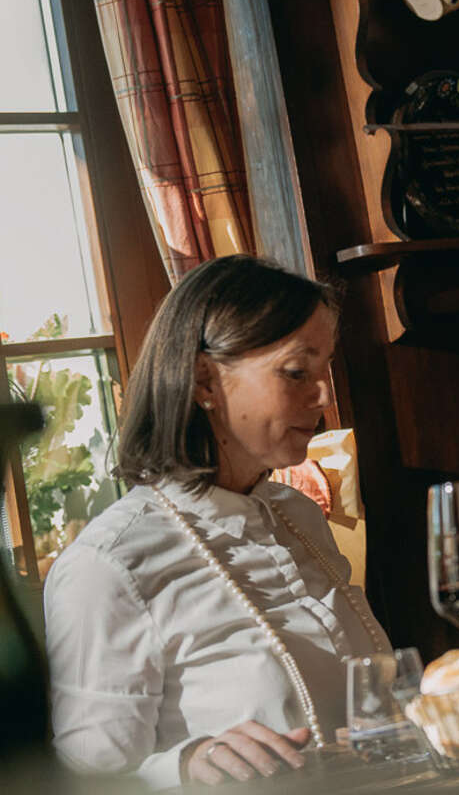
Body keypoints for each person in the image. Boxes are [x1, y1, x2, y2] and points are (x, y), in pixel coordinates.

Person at [44, 255, 391, 786]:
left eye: (323, 372)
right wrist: (183, 765)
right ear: (205, 380)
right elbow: (83, 780)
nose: (324, 396)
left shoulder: (296, 515)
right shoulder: (110, 566)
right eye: (297, 372)